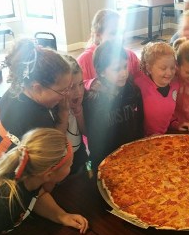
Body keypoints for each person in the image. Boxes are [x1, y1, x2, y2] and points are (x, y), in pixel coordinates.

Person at [0, 39, 72, 160]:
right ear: (37, 88)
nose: (67, 95)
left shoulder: (13, 90)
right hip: (16, 175)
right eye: (62, 91)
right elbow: (52, 155)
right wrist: (63, 116)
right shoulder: (36, 118)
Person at [83, 40, 144, 170]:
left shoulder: (134, 91)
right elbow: (95, 139)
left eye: (125, 66)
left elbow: (140, 123)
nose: (123, 73)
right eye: (117, 69)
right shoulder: (93, 100)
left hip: (132, 155)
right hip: (106, 161)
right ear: (102, 72)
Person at [77, 9, 140, 82]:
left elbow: (140, 81)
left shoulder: (131, 56)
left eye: (122, 32)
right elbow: (79, 89)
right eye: (113, 33)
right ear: (98, 35)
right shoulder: (84, 61)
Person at [135, 42, 179, 136]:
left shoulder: (175, 85)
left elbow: (169, 113)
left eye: (172, 68)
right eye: (163, 68)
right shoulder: (139, 85)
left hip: (165, 136)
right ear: (149, 68)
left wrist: (175, 124)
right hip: (142, 140)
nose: (169, 72)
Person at [63, 55, 89, 174]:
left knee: (87, 175)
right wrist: (63, 113)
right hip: (61, 164)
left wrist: (79, 112)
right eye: (72, 87)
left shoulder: (84, 100)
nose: (78, 92)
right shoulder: (53, 108)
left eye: (80, 84)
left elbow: (86, 132)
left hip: (80, 156)